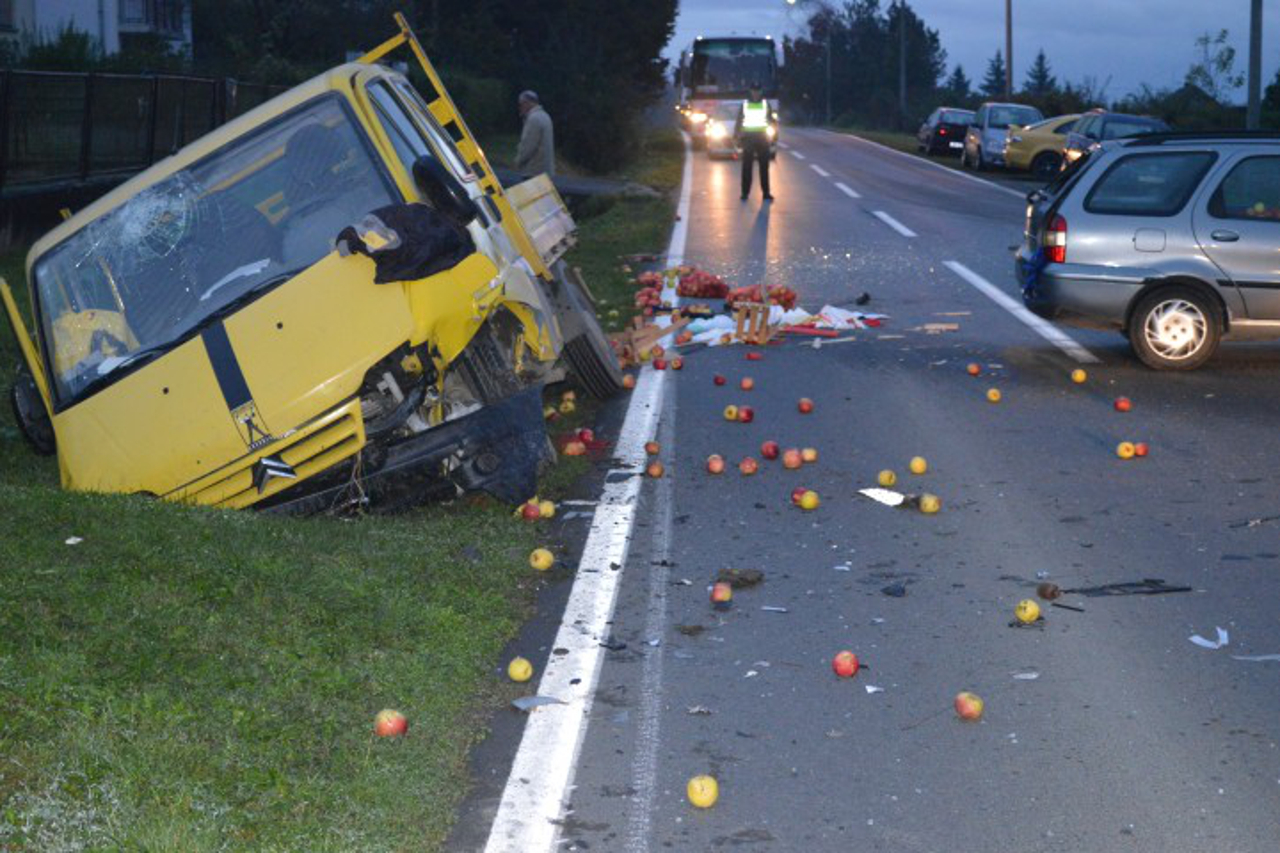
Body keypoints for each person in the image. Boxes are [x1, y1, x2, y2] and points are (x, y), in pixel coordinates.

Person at [735, 83, 777, 202]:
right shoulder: (745, 104)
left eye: (758, 90)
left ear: (761, 91)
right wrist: (737, 137)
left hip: (763, 139)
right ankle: (744, 193)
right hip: (748, 139)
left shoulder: (765, 104)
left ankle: (766, 193)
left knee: (764, 167)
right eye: (754, 90)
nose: (756, 93)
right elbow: (739, 121)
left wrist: (773, 137)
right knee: (747, 167)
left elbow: (771, 121)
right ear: (750, 91)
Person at [515, 90, 555, 177]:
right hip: (545, 170)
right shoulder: (545, 116)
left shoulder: (533, 119)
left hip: (533, 171)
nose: (520, 108)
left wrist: (518, 161)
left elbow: (528, 146)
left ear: (527, 103)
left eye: (521, 104)